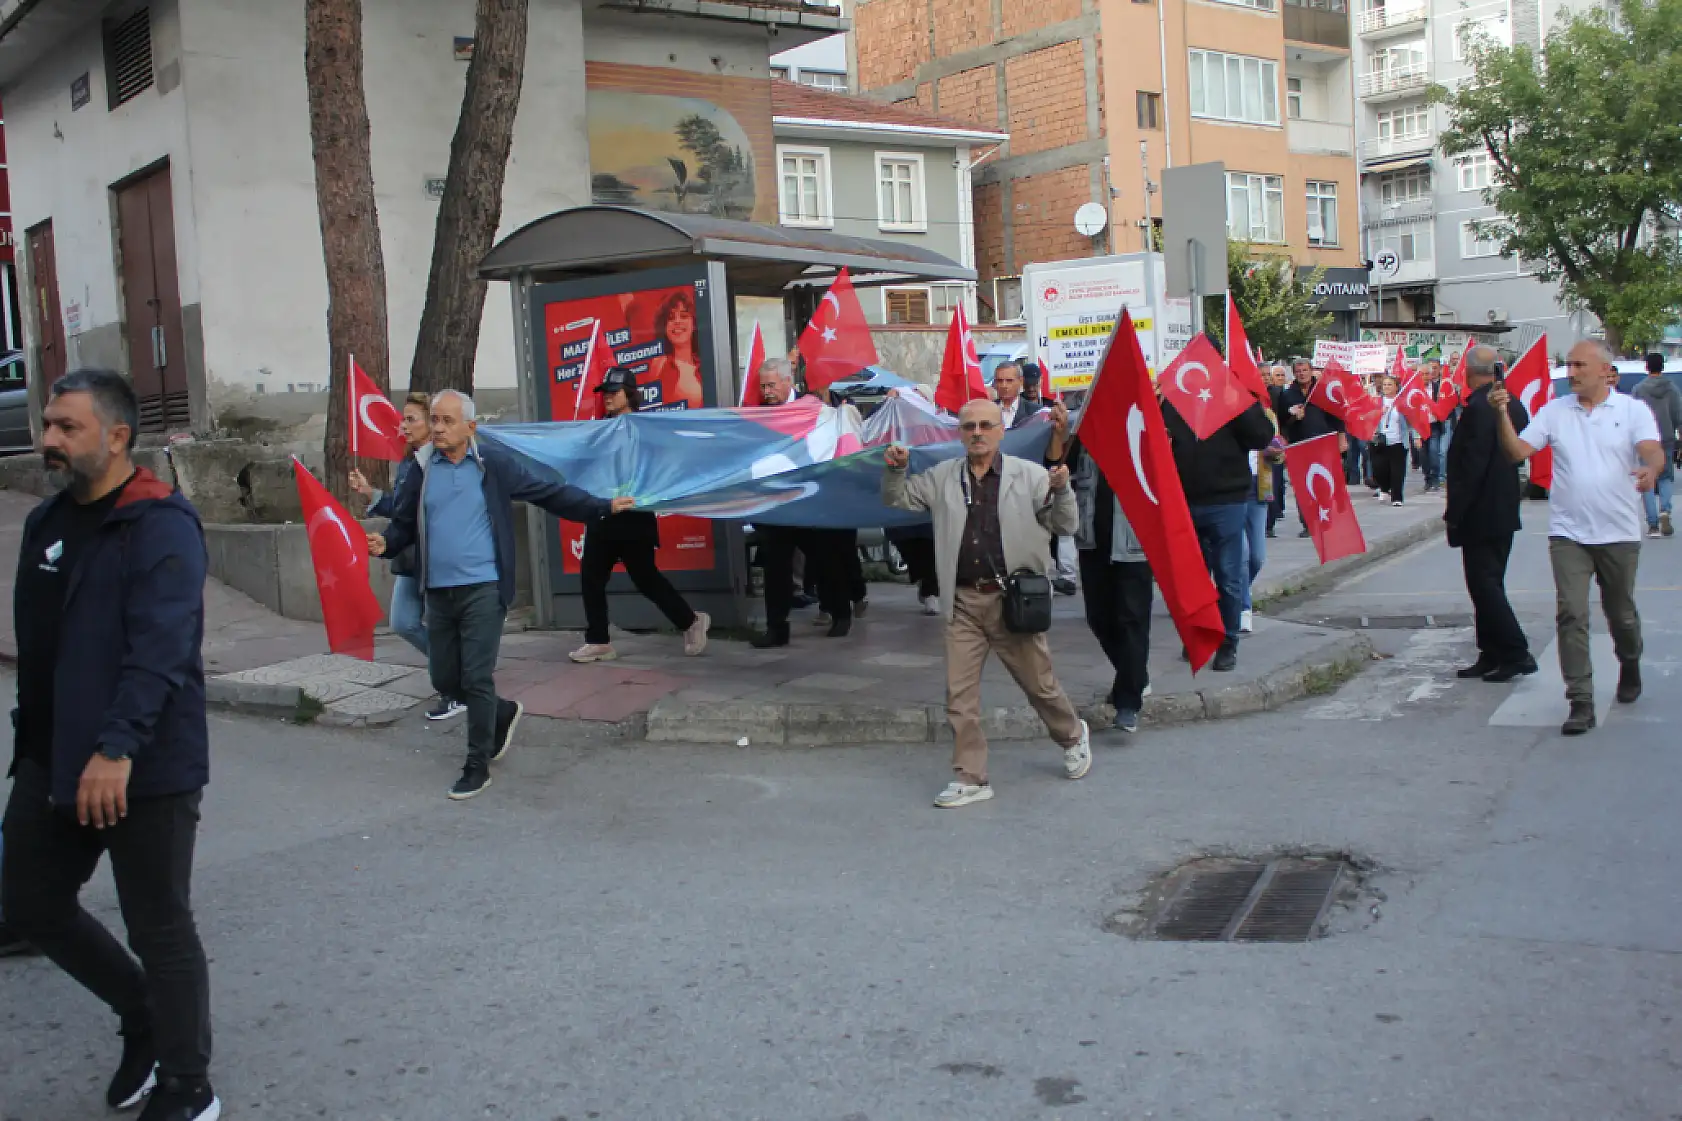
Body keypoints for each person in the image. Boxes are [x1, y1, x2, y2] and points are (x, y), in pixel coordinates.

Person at [3, 370, 219, 1121]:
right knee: (28, 901)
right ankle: (145, 1015)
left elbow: (160, 649)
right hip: (50, 757)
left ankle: (190, 1084)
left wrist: (117, 746)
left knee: (159, 924)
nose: (49, 439)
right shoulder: (47, 522)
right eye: (49, 424)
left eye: (67, 427)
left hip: (143, 763)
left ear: (118, 436)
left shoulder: (160, 524)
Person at [368, 390, 632, 798]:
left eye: (446, 421)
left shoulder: (493, 466)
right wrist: (387, 544)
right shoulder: (420, 469)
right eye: (434, 420)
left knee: (476, 677)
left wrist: (600, 507)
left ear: (470, 427)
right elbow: (403, 523)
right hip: (437, 590)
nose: (437, 428)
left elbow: (548, 492)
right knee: (445, 677)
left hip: (483, 588)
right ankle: (501, 712)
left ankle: (477, 765)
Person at [882, 399, 1090, 808]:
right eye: (968, 426)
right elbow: (899, 499)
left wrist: (1062, 490)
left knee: (1040, 686)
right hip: (962, 602)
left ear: (1000, 431)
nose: (976, 432)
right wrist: (895, 469)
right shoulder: (943, 477)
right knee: (959, 696)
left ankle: (1071, 735)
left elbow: (1065, 525)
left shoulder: (1030, 476)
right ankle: (971, 777)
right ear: (960, 433)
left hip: (1011, 602)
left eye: (985, 425)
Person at [1489, 340, 1665, 736]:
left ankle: (1630, 661)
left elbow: (1652, 450)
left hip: (1618, 533)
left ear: (1605, 371)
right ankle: (1580, 701)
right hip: (1569, 532)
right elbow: (1517, 451)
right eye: (1568, 365)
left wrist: (1651, 470)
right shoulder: (1555, 411)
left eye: (1579, 365)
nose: (1571, 372)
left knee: (1620, 613)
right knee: (1571, 613)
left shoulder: (1631, 410)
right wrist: (1502, 412)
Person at [569, 367, 711, 663]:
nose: (608, 397)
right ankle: (598, 640)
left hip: (634, 514)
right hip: (604, 512)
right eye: (605, 393)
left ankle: (691, 622)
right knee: (590, 577)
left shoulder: (646, 427)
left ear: (630, 395)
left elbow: (666, 461)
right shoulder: (600, 429)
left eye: (614, 392)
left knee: (645, 577)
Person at [350, 391, 463, 722]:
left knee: (439, 625)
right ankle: (453, 672)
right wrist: (371, 494)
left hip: (433, 558)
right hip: (409, 558)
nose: (403, 425)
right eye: (403, 419)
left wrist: (388, 541)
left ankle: (455, 687)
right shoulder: (409, 462)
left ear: (432, 423)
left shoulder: (438, 462)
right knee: (403, 622)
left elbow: (423, 515)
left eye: (411, 419)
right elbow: (403, 512)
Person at [1161, 395, 1276, 671]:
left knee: (1228, 576)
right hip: (1187, 500)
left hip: (1227, 501)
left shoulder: (1233, 396)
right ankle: (1200, 637)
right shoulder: (1176, 398)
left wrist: (1241, 402)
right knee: (1193, 579)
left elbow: (1262, 436)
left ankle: (1228, 642)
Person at [749, 358, 858, 645]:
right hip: (777, 503)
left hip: (811, 499)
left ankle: (840, 612)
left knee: (824, 559)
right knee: (776, 567)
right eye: (763, 386)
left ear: (788, 381)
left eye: (771, 385)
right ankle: (776, 628)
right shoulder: (760, 416)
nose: (767, 391)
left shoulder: (815, 410)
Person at [1444, 346, 1536, 683]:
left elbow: (1471, 464)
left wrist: (1456, 511)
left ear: (1470, 371)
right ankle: (1491, 651)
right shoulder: (1507, 401)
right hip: (1503, 505)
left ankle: (1515, 651)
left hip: (1482, 508)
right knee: (1487, 582)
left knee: (1485, 585)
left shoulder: (1482, 406)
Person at [1064, 428, 1152, 734]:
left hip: (1133, 545)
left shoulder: (1144, 430)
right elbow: (1062, 466)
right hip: (1093, 542)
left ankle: (1128, 702)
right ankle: (1135, 675)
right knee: (1099, 618)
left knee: (1132, 620)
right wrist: (1063, 434)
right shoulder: (1087, 434)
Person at [1279, 358, 1346, 536]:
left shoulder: (1323, 390)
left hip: (1323, 444)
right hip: (1299, 445)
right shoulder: (1287, 394)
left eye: (1305, 370)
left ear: (1311, 370)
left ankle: (1325, 517)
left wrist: (1341, 438)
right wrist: (1293, 417)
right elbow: (1282, 422)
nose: (1302, 374)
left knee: (1323, 484)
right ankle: (1308, 523)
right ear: (1294, 373)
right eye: (1298, 371)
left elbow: (1337, 416)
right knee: (1302, 486)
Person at [1632, 352, 1681, 538]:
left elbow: (1633, 417)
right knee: (1666, 476)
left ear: (1647, 366)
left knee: (1648, 479)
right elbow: (1679, 415)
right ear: (1663, 366)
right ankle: (1665, 511)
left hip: (1645, 441)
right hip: (1667, 439)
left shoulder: (1639, 389)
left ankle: (1652, 525)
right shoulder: (1672, 389)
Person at [643, 289, 705, 408]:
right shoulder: (658, 364)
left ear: (694, 324)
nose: (677, 321)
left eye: (684, 316)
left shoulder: (705, 368)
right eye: (671, 318)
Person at [1370, 373, 1418, 506]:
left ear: (1397, 387)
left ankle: (1397, 497)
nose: (1386, 387)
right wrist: (1378, 412)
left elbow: (1412, 421)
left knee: (1397, 471)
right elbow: (1367, 417)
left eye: (1390, 384)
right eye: (1384, 384)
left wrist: (1416, 437)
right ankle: (1384, 489)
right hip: (1379, 441)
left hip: (1398, 441)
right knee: (1379, 469)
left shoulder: (1402, 402)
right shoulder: (1376, 401)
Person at [1265, 366, 1291, 537]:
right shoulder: (1246, 394)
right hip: (1256, 447)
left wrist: (1284, 440)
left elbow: (1284, 418)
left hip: (1275, 443)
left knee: (1274, 482)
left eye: (1267, 375)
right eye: (1262, 375)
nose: (1265, 378)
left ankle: (1270, 523)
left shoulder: (1277, 394)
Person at [1422, 359, 1450, 492]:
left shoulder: (1437, 388)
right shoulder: (1415, 390)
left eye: (1428, 373)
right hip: (1421, 426)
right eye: (1423, 374)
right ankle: (1427, 478)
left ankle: (1435, 478)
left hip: (1434, 425)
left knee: (1434, 451)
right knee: (1424, 454)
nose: (1426, 376)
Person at [992, 361, 1043, 430]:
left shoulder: (1035, 412)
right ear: (995, 383)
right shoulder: (987, 410)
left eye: (1009, 380)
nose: (1004, 385)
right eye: (1000, 381)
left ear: (1021, 381)